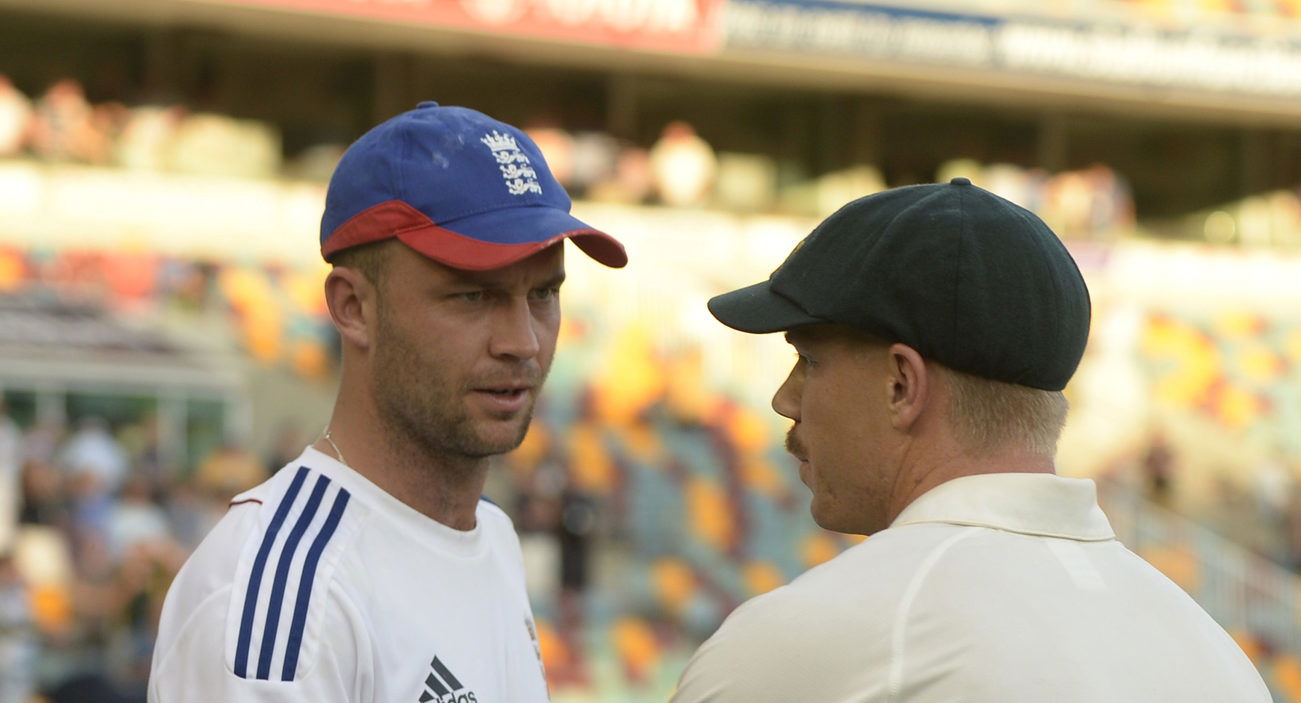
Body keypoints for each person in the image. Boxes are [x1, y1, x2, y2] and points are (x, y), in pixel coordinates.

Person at [671, 178, 1269, 702]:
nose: (786, 399)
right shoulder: (1214, 652)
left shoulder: (809, 641)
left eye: (808, 360)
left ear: (902, 385)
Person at [149, 102, 627, 702]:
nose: (523, 342)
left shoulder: (494, 537)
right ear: (353, 308)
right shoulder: (286, 591)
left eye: (544, 294)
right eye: (473, 296)